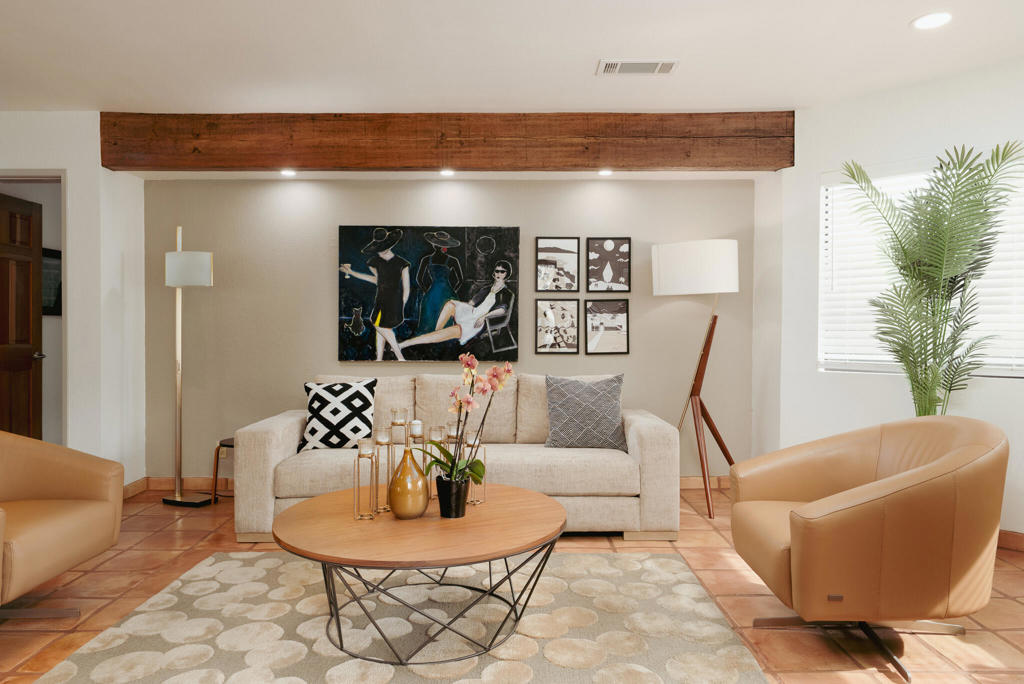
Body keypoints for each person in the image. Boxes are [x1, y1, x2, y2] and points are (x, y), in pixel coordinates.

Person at [399, 260, 514, 350]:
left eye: (502, 271)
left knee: (454, 330)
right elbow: (472, 302)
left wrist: (484, 316)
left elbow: (502, 310)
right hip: (473, 312)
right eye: (497, 271)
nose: (499, 274)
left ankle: (406, 344)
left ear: (507, 274)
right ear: (494, 272)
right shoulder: (487, 288)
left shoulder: (506, 293)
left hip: (481, 321)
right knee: (450, 304)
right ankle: (436, 333)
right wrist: (462, 309)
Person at [340, 228, 410, 361]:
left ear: (390, 245)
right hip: (381, 300)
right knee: (380, 328)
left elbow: (407, 288)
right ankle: (379, 359)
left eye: (382, 247)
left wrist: (402, 304)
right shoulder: (374, 262)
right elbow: (377, 281)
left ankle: (400, 357)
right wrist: (352, 272)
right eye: (378, 248)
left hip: (395, 301)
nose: (380, 251)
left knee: (378, 325)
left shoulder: (402, 263)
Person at [415, 231, 464, 335]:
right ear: (445, 247)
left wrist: (426, 291)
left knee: (430, 320)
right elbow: (460, 280)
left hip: (432, 293)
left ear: (434, 245)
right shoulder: (453, 260)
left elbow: (419, 279)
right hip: (447, 293)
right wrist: (453, 291)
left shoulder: (426, 259)